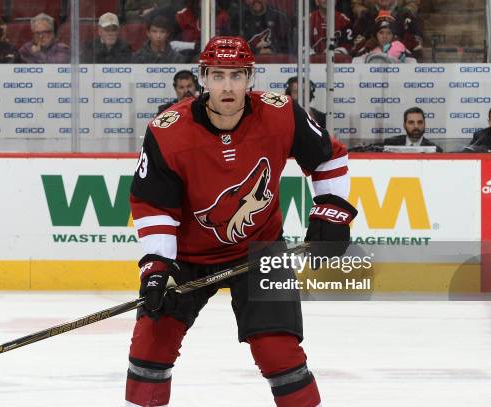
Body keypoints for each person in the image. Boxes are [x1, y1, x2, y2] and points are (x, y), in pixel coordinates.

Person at [126, 36, 357, 407]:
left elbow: (328, 157)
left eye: (237, 76)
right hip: (187, 257)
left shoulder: (281, 113)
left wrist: (331, 209)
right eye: (218, 76)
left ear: (250, 77)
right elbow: (153, 204)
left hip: (260, 249)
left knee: (278, 351)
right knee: (151, 344)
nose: (228, 86)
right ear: (203, 78)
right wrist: (156, 266)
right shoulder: (168, 132)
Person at [352, 0, 422, 59]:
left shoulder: (406, 16)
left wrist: (399, 47)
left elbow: (415, 49)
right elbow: (356, 50)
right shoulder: (365, 16)